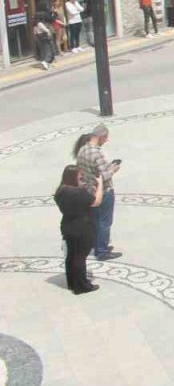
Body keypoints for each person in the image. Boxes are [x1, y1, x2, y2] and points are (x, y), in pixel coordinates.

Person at [74, 126, 121, 261]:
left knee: (95, 219)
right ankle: (102, 250)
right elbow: (104, 176)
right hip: (103, 190)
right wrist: (113, 169)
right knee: (105, 221)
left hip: (89, 190)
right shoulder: (97, 153)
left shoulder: (82, 149)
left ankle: (97, 244)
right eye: (105, 138)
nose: (106, 140)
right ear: (100, 137)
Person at [56, 163, 102, 294]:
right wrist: (100, 185)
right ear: (73, 178)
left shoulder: (60, 191)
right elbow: (96, 201)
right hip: (83, 228)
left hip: (68, 226)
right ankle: (81, 286)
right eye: (80, 177)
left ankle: (72, 282)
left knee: (71, 255)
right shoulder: (78, 193)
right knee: (80, 257)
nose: (81, 178)